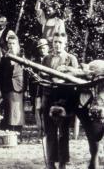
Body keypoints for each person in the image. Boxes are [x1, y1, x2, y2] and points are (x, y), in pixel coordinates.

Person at [41, 32, 78, 169]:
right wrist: (40, 100)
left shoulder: (71, 59)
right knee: (49, 132)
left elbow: (76, 84)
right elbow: (41, 80)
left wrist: (68, 103)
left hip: (65, 100)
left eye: (60, 42)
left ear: (65, 42)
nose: (57, 45)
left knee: (63, 133)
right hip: (49, 98)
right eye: (55, 42)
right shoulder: (46, 59)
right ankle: (51, 163)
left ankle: (62, 163)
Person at [0, 35, 25, 132]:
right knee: (8, 109)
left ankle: (17, 131)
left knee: (17, 109)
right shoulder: (4, 58)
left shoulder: (22, 57)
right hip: (6, 86)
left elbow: (27, 73)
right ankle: (8, 130)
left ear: (17, 44)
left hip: (18, 86)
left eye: (13, 43)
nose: (11, 45)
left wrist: (26, 87)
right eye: (9, 43)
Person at [30, 38, 50, 132]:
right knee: (37, 109)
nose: (42, 50)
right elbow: (30, 77)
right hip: (36, 89)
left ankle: (47, 130)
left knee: (47, 108)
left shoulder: (51, 59)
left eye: (44, 47)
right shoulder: (35, 61)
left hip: (48, 89)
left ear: (48, 47)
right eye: (40, 48)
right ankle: (40, 130)